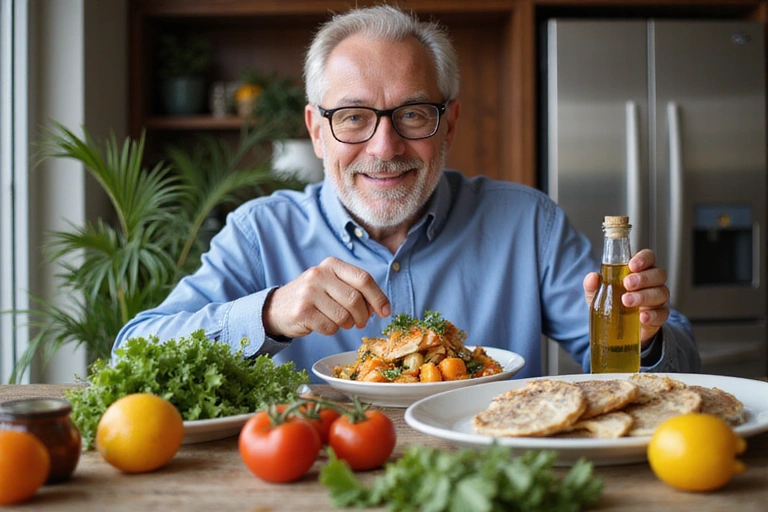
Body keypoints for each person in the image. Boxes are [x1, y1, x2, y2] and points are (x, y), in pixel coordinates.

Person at [114, 5, 700, 379]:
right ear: (317, 130)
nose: (384, 147)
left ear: (450, 121)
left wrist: (645, 338)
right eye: (352, 117)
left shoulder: (528, 223)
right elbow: (133, 352)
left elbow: (676, 363)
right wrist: (267, 314)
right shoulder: (259, 231)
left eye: (413, 114)